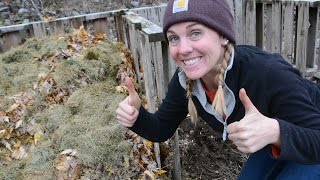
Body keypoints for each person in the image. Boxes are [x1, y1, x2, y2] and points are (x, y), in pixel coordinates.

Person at [116, 0, 320, 179]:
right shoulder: (185, 82)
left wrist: (275, 131)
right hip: (277, 142)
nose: (183, 49)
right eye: (173, 38)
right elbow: (161, 128)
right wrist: (136, 116)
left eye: (195, 33)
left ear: (223, 35)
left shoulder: (267, 73)